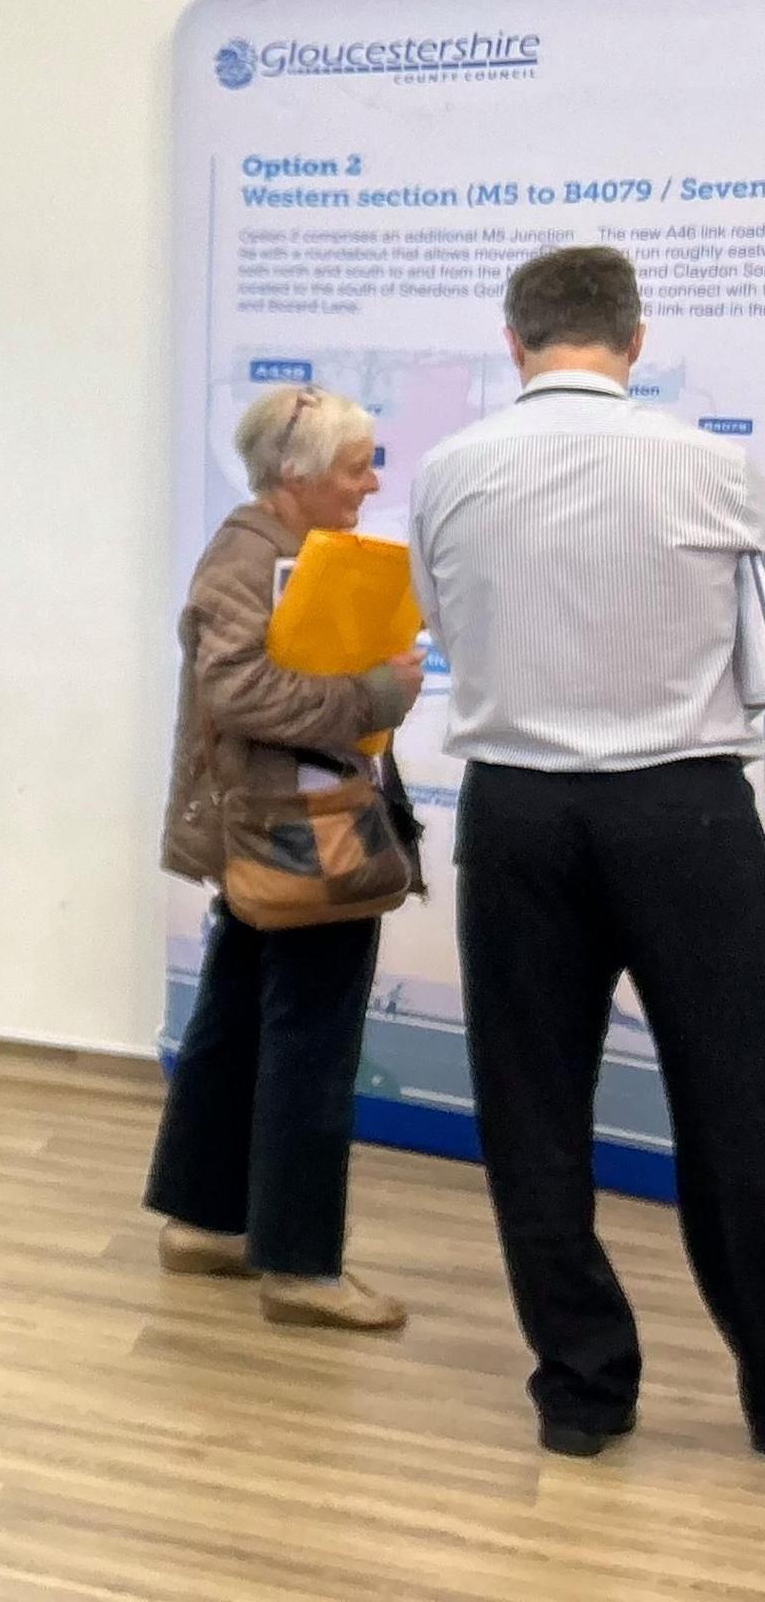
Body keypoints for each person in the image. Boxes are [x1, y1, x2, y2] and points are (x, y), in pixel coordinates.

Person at [414, 243, 765, 1460]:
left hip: (518, 811)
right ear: (637, 337)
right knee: (740, 1110)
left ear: (515, 342)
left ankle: (583, 1390)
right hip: (690, 811)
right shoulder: (720, 468)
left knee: (532, 1112)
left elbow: (451, 628)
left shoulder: (452, 469)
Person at [143, 384, 421, 1332]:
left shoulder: (283, 549)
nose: (372, 482)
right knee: (312, 1036)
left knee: (236, 1020)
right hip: (298, 836)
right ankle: (302, 1268)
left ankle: (206, 1222)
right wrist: (372, 695)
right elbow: (240, 692)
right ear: (297, 476)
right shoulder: (249, 556)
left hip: (274, 828)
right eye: (357, 467)